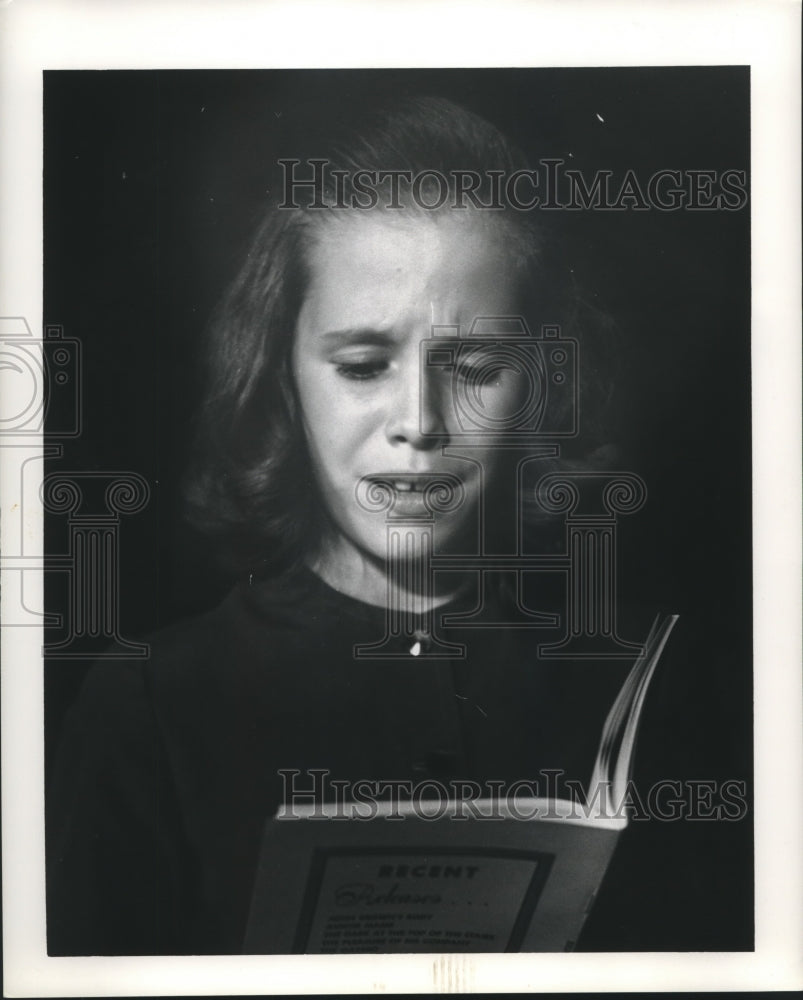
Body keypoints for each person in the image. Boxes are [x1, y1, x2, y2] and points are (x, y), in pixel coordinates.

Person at [46, 95, 632, 955]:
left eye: (474, 364)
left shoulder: (613, 686)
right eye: (362, 365)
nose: (419, 421)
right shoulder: (151, 704)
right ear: (280, 375)